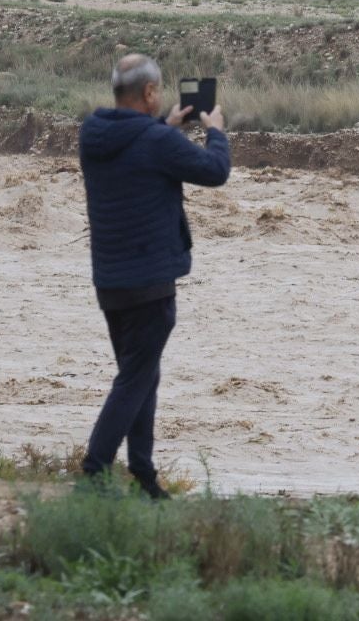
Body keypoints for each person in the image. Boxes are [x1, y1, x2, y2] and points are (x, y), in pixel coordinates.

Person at [77, 54, 229, 498]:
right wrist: (215, 130)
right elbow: (214, 172)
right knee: (135, 379)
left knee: (142, 374)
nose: (161, 97)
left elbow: (140, 147)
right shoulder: (156, 141)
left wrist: (165, 124)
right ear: (147, 93)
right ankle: (94, 475)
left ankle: (144, 476)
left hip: (110, 281)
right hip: (151, 282)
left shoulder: (94, 133)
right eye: (158, 90)